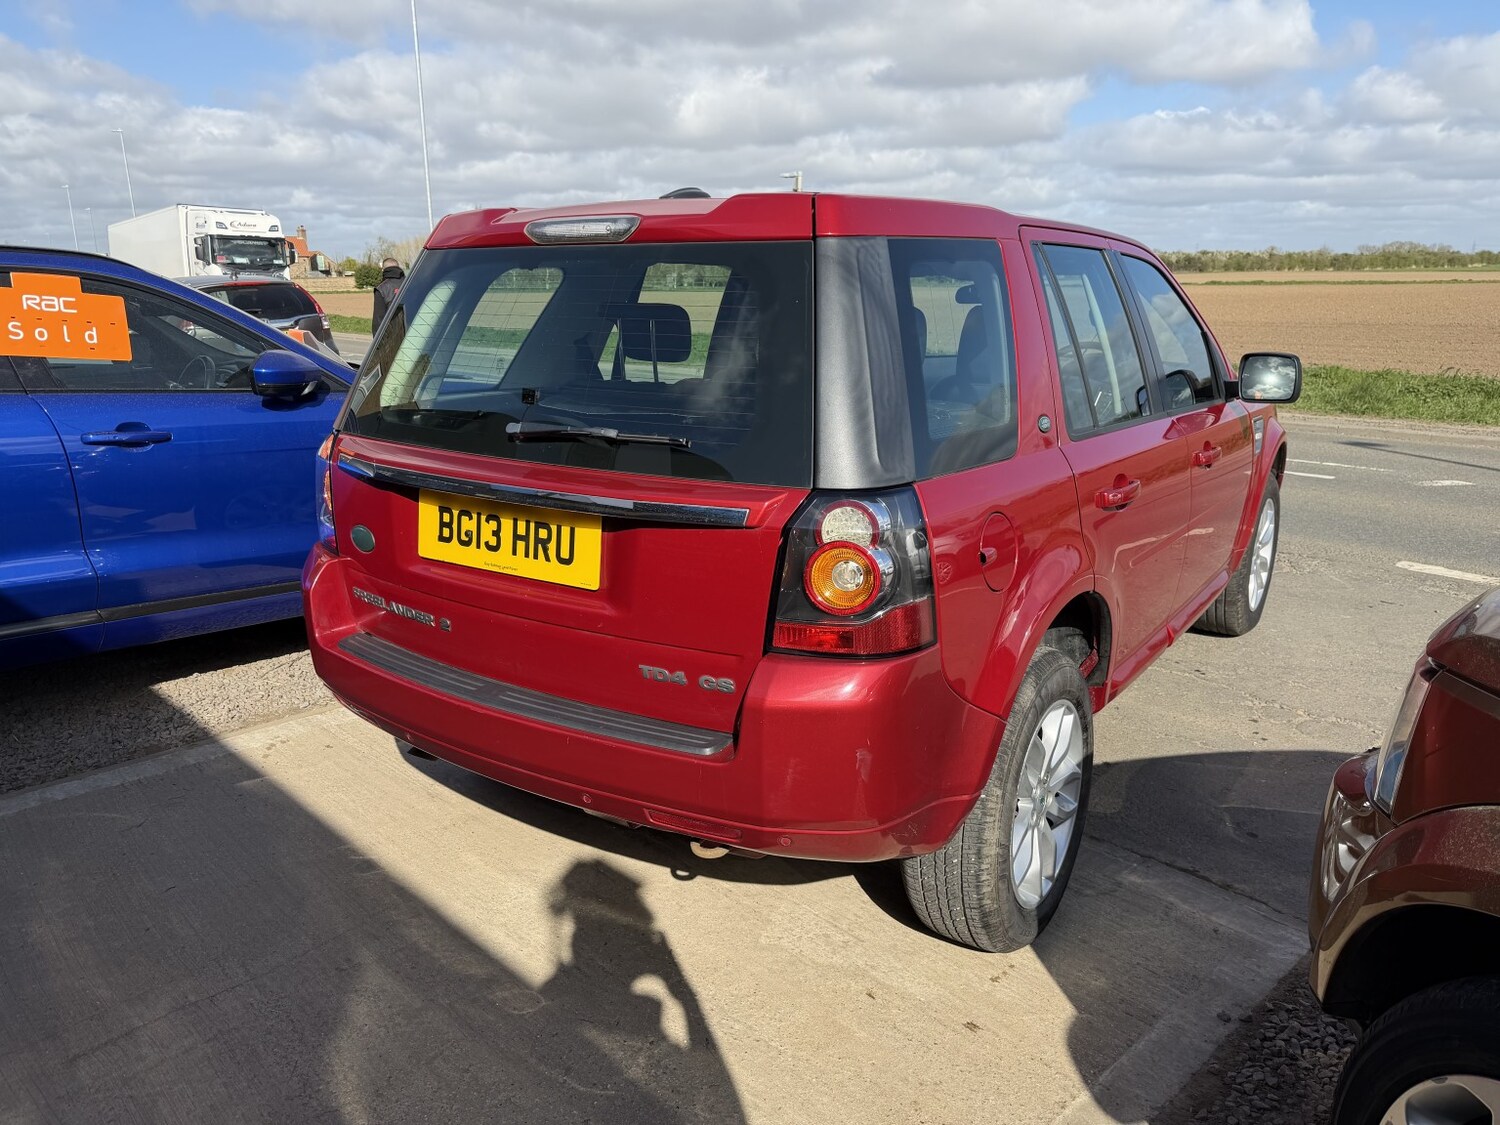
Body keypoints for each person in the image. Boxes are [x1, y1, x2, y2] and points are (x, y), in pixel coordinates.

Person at [371, 258, 405, 333]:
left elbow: (378, 319)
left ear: (383, 270)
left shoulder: (381, 288)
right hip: (413, 333)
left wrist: (376, 337)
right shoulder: (410, 283)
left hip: (392, 336)